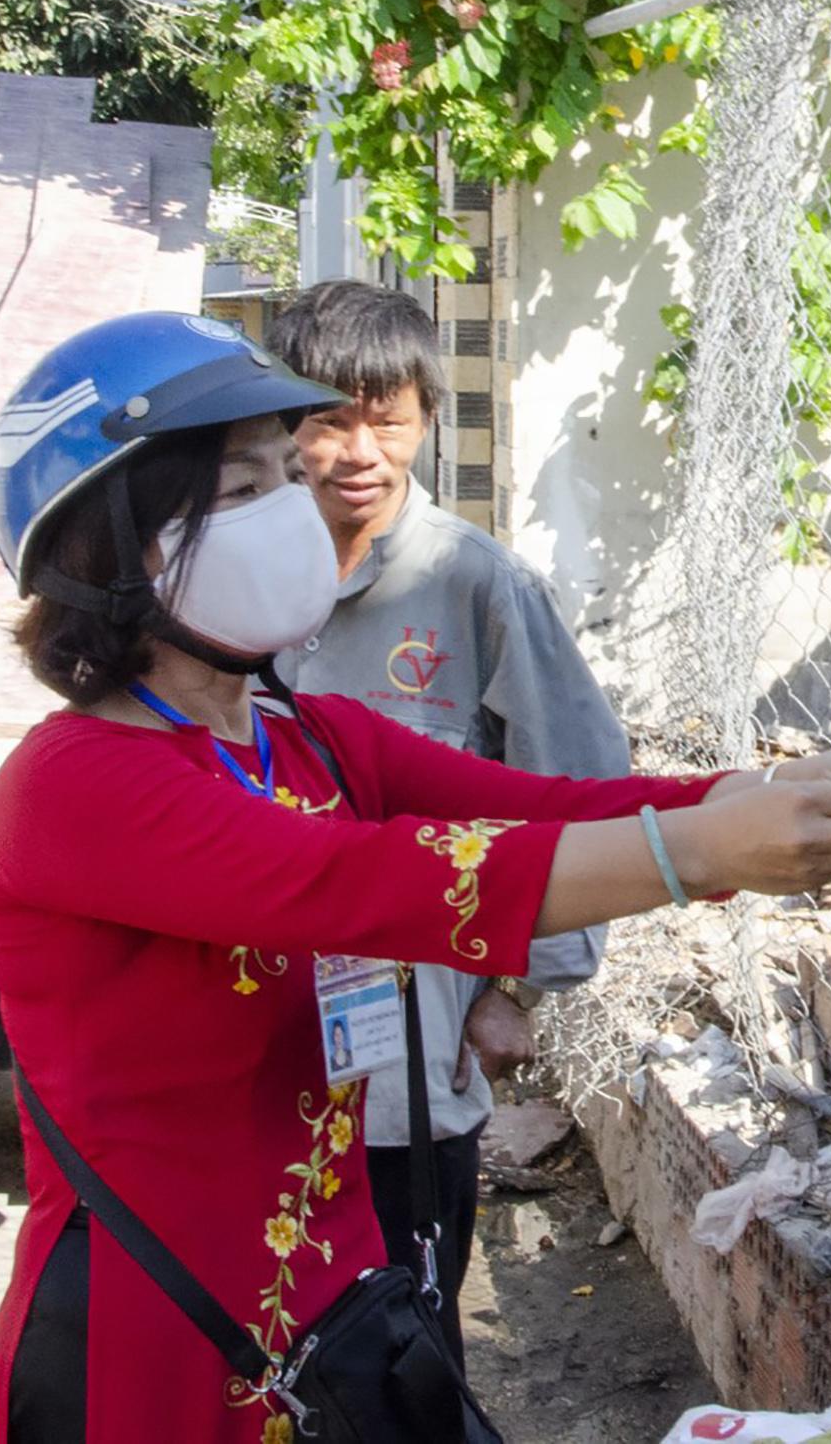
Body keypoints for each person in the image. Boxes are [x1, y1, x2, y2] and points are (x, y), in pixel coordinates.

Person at [0, 311, 831, 1444]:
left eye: (285, 475)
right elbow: (366, 881)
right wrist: (703, 856)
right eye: (238, 492)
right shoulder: (76, 784)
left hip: (331, 1316)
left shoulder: (310, 739)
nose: (295, 507)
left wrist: (780, 789)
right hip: (152, 1346)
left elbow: (554, 805)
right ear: (106, 551)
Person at [263, 280, 620, 1366]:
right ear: (284, 422)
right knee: (262, 1342)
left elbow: (573, 781)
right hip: (248, 1049)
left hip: (410, 1063)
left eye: (391, 416)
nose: (360, 448)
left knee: (403, 1349)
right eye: (329, 416)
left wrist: (515, 987)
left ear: (425, 419)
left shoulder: (476, 584)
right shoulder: (224, 579)